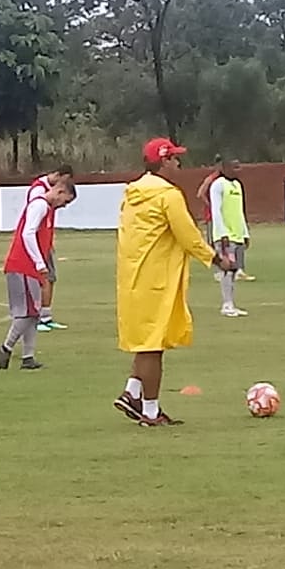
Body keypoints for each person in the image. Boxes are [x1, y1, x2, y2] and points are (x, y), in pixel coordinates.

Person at [112, 137, 230, 427]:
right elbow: (187, 235)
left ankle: (132, 392)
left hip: (132, 279)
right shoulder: (168, 195)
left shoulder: (132, 192)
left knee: (146, 341)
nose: (178, 163)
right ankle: (150, 412)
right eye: (175, 159)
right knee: (153, 347)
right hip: (156, 280)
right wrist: (217, 260)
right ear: (164, 161)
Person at [0, 178, 78, 371]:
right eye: (65, 201)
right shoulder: (40, 205)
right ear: (59, 191)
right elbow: (27, 233)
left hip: (30, 267)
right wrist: (40, 263)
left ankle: (28, 356)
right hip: (23, 265)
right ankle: (6, 347)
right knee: (27, 312)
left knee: (34, 312)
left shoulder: (47, 209)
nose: (63, 206)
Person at [28, 165, 75, 333]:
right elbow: (32, 221)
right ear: (57, 175)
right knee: (45, 278)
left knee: (50, 278)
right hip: (39, 243)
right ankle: (40, 317)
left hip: (46, 241)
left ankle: (45, 316)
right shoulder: (39, 192)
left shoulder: (48, 191)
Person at [209, 158, 250, 317]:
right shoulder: (218, 185)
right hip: (225, 235)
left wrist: (245, 233)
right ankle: (226, 304)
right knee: (227, 268)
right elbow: (216, 210)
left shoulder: (237, 185)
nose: (238, 170)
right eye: (235, 167)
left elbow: (240, 211)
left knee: (234, 270)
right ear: (225, 168)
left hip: (237, 234)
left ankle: (231, 303)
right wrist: (222, 233)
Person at [195, 156, 222, 282]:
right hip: (212, 216)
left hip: (224, 216)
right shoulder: (211, 179)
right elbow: (200, 193)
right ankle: (217, 271)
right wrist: (211, 205)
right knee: (214, 243)